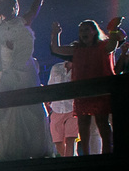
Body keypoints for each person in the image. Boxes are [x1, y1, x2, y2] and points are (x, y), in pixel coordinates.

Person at [0, 0, 52, 160]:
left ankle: (32, 150)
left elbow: (38, 2)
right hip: (6, 72)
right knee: (9, 111)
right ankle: (15, 152)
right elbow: (37, 2)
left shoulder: (21, 22)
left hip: (25, 71)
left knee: (29, 108)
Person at [50, 19, 124, 155]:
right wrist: (55, 34)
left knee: (102, 122)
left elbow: (113, 46)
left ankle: (107, 153)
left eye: (86, 29)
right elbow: (56, 49)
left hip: (100, 90)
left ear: (94, 31)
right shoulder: (77, 49)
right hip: (82, 91)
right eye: (81, 30)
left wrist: (113, 29)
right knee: (83, 124)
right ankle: (86, 155)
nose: (83, 32)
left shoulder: (103, 46)